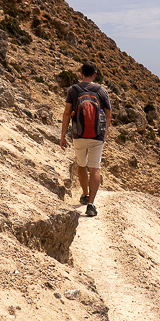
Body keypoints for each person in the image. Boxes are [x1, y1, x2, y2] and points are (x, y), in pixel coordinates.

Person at [60, 62, 111, 217]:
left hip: (79, 134)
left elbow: (67, 113)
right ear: (95, 74)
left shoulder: (73, 90)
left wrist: (63, 135)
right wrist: (105, 129)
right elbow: (108, 114)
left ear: (81, 73)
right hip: (97, 135)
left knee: (82, 165)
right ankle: (91, 204)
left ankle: (85, 194)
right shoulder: (101, 90)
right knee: (95, 167)